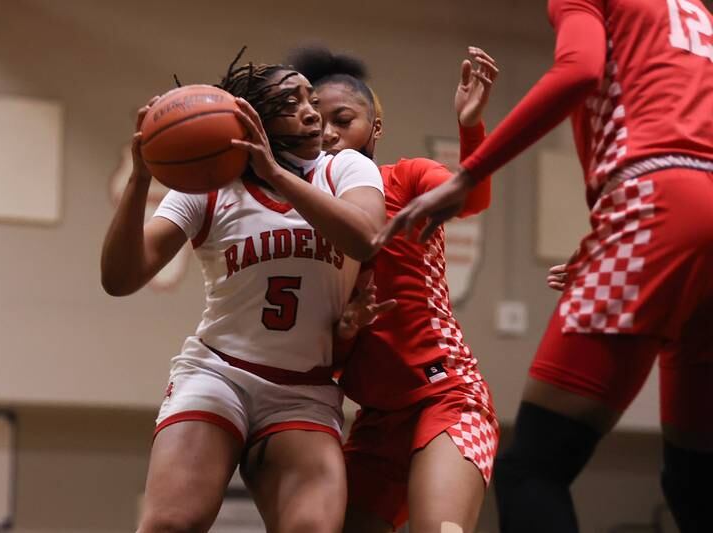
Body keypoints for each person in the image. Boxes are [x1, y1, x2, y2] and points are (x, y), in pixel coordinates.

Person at [374, 1, 713, 531]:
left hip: (656, 204)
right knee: (695, 481)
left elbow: (579, 70)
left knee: (532, 469)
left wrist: (470, 172)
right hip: (684, 203)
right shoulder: (691, 8)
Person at [100, 50, 386, 533]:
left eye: (310, 98)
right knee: (172, 522)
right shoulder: (207, 187)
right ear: (249, 118)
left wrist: (277, 173)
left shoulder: (345, 170)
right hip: (219, 373)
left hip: (304, 390)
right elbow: (121, 279)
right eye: (290, 102)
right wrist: (141, 177)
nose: (311, 111)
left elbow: (367, 238)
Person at [287, 45, 499, 532]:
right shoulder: (305, 216)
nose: (329, 132)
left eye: (343, 119)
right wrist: (345, 328)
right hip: (377, 416)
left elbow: (474, 196)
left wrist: (471, 126)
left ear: (374, 129)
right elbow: (330, 356)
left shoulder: (405, 177)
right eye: (316, 122)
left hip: (446, 395)